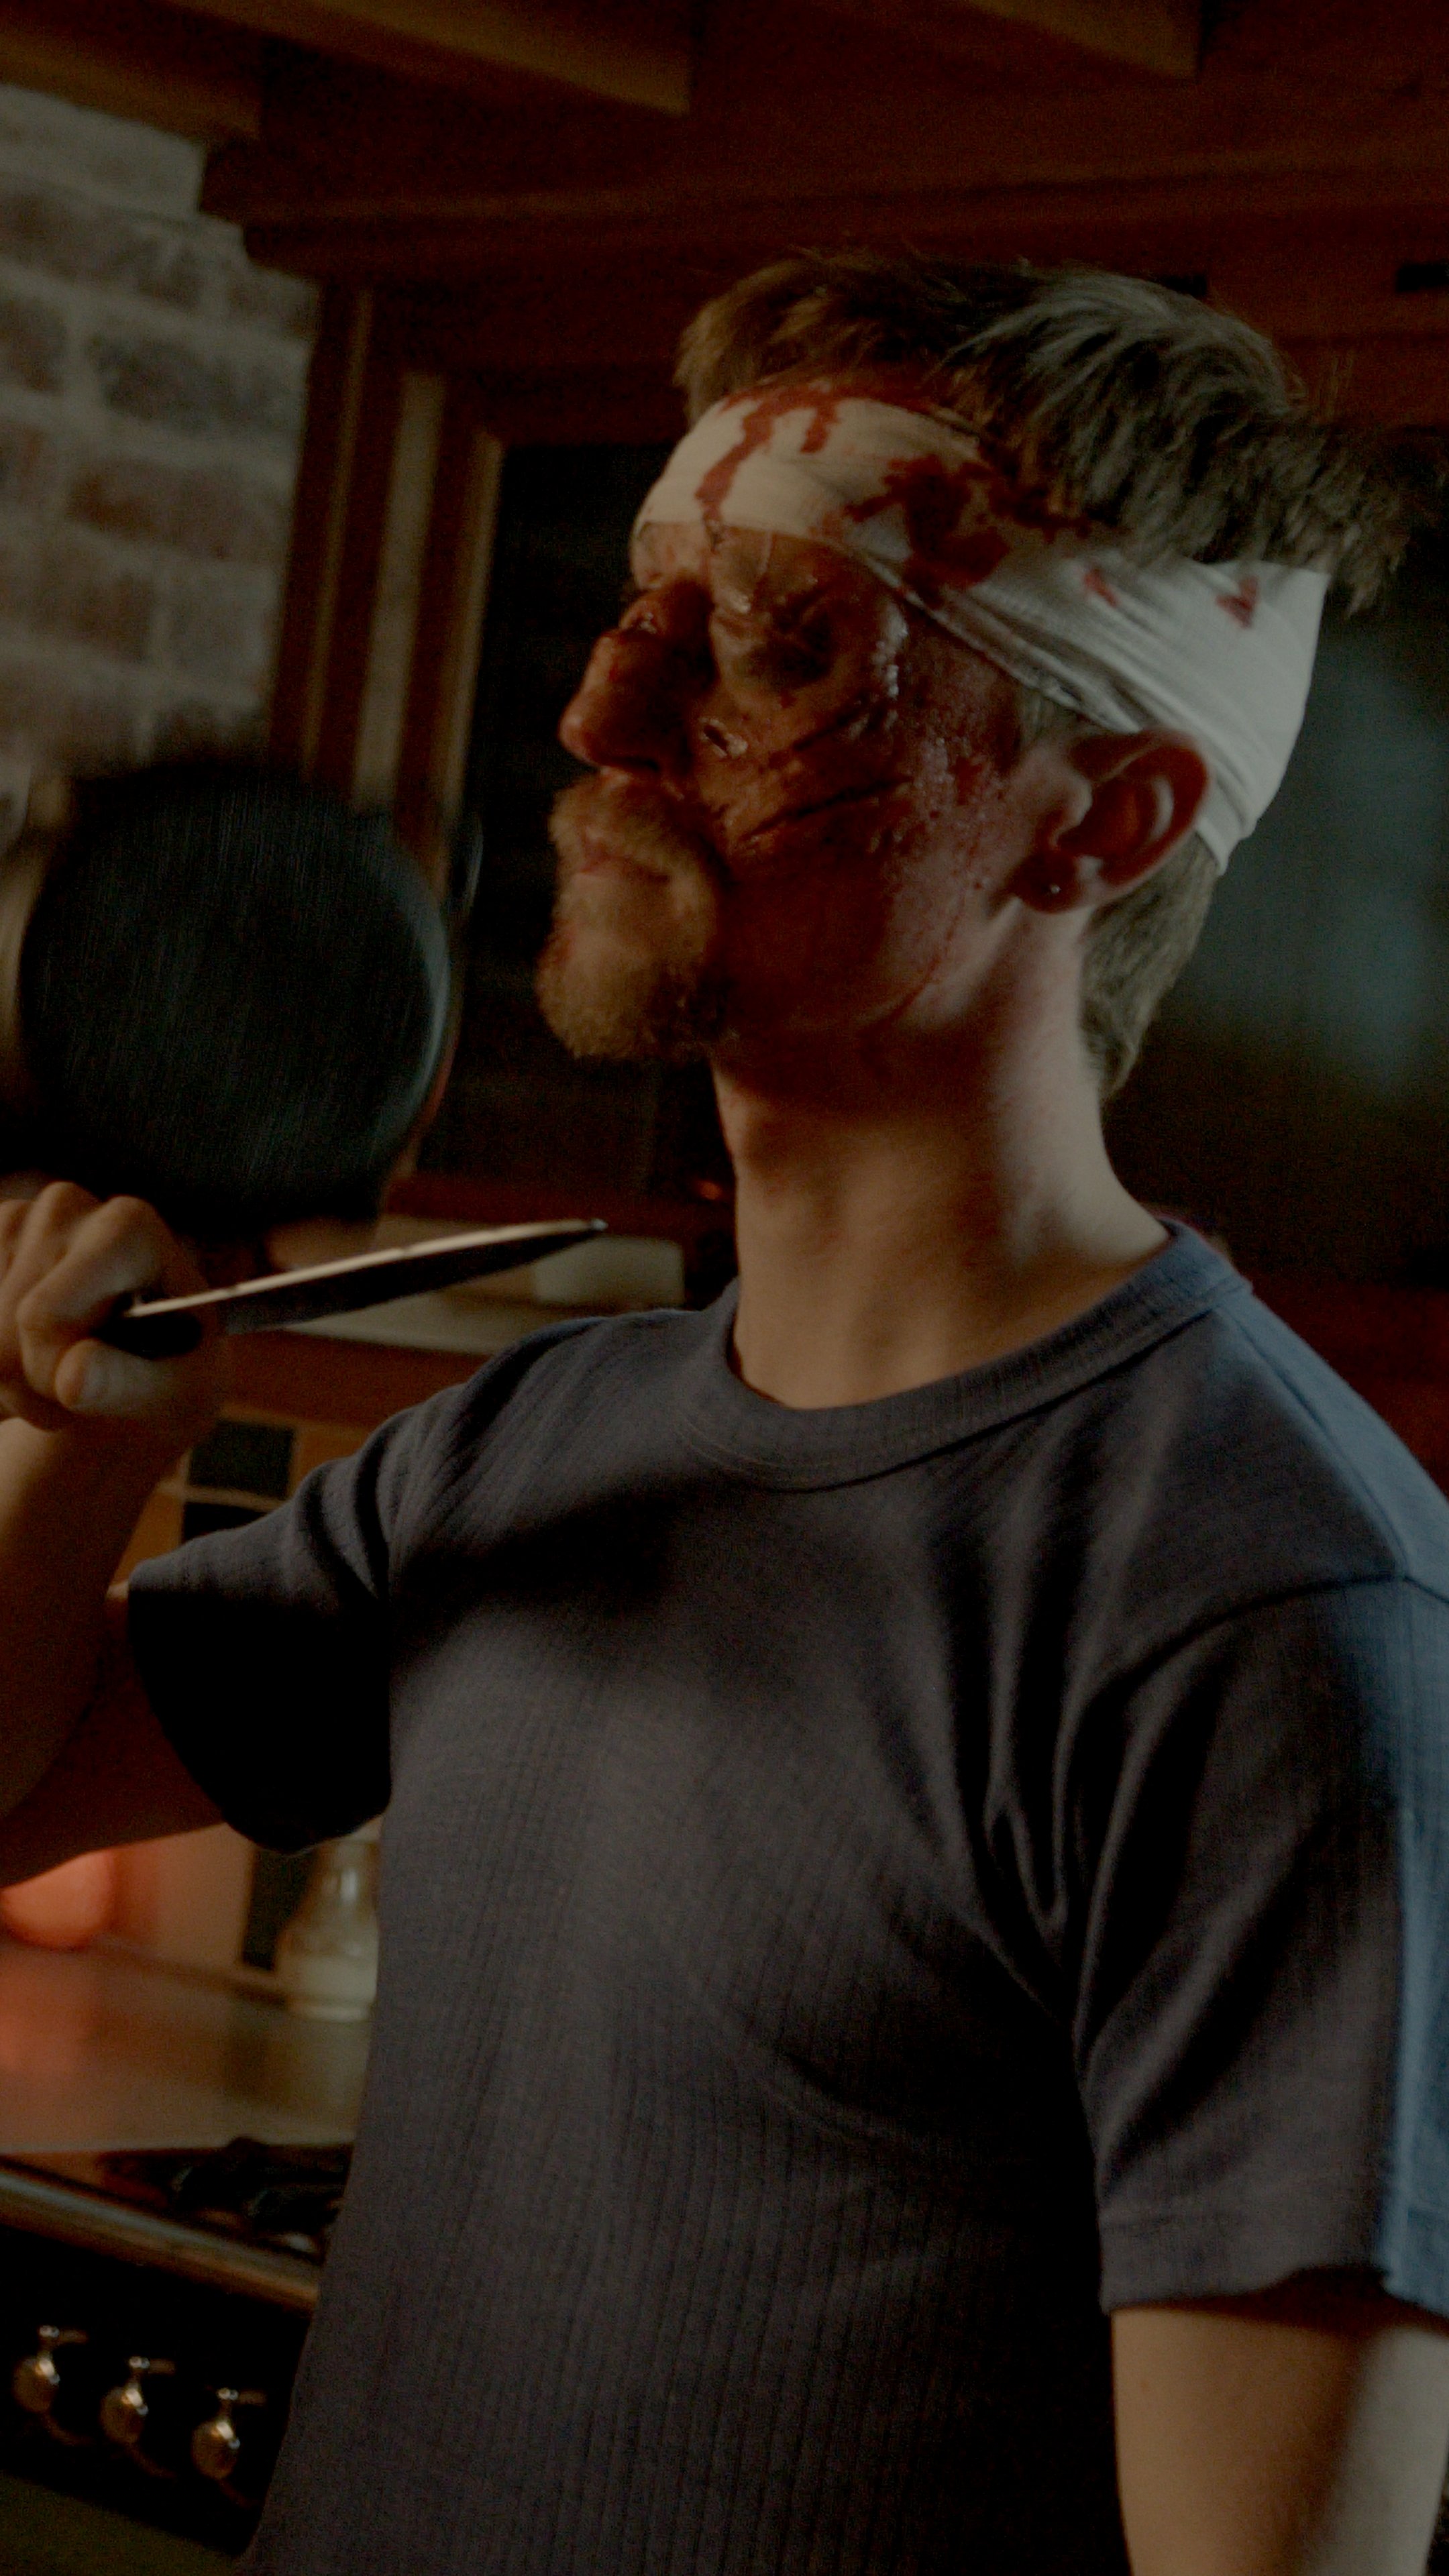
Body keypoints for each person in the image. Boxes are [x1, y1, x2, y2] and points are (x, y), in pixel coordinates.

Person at [1, 252, 1448, 2576]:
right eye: (639, 602)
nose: (597, 715)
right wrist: (79, 1439)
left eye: (776, 639)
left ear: (1102, 817)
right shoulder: (538, 1445)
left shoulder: (1259, 1605)